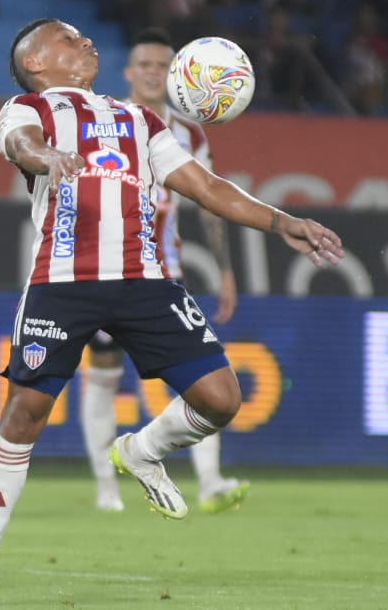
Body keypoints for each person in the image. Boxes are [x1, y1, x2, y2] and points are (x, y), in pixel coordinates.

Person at [0, 18, 344, 592]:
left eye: (85, 36)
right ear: (35, 62)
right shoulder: (26, 109)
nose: (85, 41)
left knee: (221, 399)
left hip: (145, 279)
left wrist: (282, 220)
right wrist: (45, 156)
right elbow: (19, 144)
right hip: (63, 281)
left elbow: (205, 187)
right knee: (24, 414)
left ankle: (140, 450)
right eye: (67, 38)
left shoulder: (139, 118)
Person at [79, 27, 246, 516]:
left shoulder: (190, 132)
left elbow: (210, 200)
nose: (152, 73)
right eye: (144, 65)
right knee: (103, 375)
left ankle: (211, 483)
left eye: (161, 66)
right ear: (129, 72)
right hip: (104, 268)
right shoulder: (104, 121)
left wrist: (226, 271)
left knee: (198, 377)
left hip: (163, 271)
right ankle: (106, 486)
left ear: (176, 75)